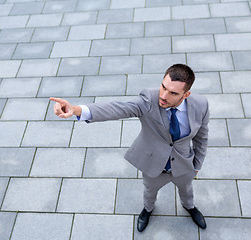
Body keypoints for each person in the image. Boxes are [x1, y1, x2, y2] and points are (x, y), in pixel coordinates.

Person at [50, 64, 209, 231]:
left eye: (173, 93)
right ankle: (147, 210)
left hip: (184, 165)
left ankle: (189, 207)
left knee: (187, 190)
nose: (163, 95)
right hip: (153, 164)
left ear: (186, 94)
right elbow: (117, 108)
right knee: (149, 192)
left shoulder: (201, 105)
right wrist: (75, 110)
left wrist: (197, 166)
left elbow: (202, 138)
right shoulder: (148, 100)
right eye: (163, 87)